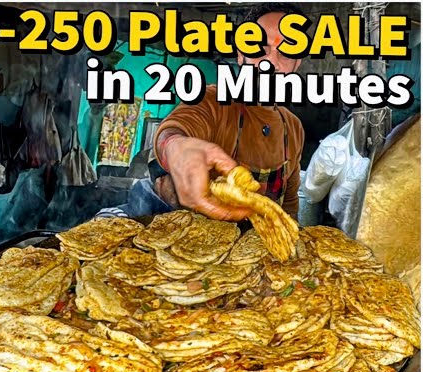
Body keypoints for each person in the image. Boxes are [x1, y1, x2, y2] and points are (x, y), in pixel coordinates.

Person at [99, 3, 305, 221]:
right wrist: (174, 147)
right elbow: (174, 130)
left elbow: (289, 208)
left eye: (286, 52)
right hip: (194, 244)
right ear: (240, 54)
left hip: (258, 250)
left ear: (297, 62)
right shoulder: (212, 100)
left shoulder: (293, 128)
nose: (271, 62)